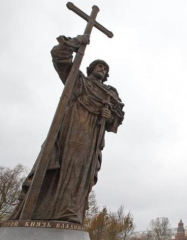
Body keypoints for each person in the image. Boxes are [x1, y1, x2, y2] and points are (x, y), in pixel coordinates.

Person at [9, 34, 124, 223]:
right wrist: (76, 43)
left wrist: (109, 116)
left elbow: (116, 119)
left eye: (105, 68)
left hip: (91, 137)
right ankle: (43, 210)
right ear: (90, 69)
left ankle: (70, 211)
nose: (102, 69)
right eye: (99, 66)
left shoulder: (108, 94)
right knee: (59, 165)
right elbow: (60, 58)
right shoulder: (79, 81)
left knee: (81, 171)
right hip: (70, 129)